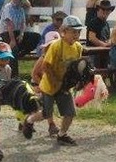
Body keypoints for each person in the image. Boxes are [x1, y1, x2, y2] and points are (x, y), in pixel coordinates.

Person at [21, 15, 85, 145]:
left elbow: (76, 66)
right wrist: (55, 81)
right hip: (50, 85)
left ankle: (62, 134)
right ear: (64, 31)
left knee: (70, 112)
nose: (76, 34)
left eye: (78, 32)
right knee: (46, 113)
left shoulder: (78, 47)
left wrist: (77, 80)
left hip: (65, 85)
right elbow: (46, 66)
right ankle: (29, 121)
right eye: (73, 31)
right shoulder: (56, 46)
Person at [0, 0, 41, 77]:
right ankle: (14, 76)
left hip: (17, 31)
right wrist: (13, 40)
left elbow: (23, 24)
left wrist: (21, 34)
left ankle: (20, 54)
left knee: (36, 37)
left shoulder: (21, 9)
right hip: (6, 32)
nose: (17, 0)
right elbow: (9, 24)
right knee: (13, 49)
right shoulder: (8, 7)